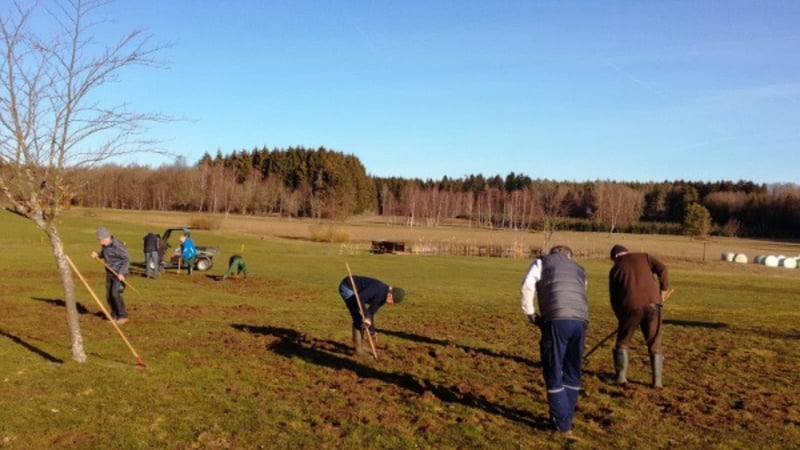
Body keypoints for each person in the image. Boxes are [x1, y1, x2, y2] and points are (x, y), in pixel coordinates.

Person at [520, 245, 589, 440]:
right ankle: (566, 417)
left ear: (553, 254)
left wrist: (531, 313)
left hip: (557, 320)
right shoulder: (579, 269)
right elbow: (583, 294)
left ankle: (562, 423)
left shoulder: (542, 262)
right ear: (569, 255)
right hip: (580, 321)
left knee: (553, 369)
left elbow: (527, 286)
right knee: (573, 371)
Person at [608, 244, 670, 388]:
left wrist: (621, 319)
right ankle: (657, 382)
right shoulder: (645, 257)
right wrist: (663, 290)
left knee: (622, 343)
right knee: (654, 344)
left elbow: (614, 299)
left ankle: (621, 378)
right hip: (654, 305)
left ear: (615, 257)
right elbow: (663, 269)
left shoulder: (615, 270)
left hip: (630, 308)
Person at [338, 275, 405, 357]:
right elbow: (360, 298)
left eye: (393, 302)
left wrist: (372, 331)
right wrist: (365, 315)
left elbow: (371, 313)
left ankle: (360, 346)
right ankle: (358, 351)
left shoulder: (383, 299)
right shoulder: (378, 288)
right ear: (390, 293)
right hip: (347, 286)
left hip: (358, 294)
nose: (390, 302)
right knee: (358, 318)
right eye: (391, 299)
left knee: (362, 318)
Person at [91, 227, 131, 325]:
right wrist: (98, 255)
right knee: (108, 295)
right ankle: (114, 315)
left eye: (101, 240)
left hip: (119, 274)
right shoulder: (106, 246)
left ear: (106, 238)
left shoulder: (117, 246)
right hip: (109, 272)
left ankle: (122, 316)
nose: (100, 243)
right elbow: (105, 254)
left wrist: (122, 273)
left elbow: (127, 259)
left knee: (115, 293)